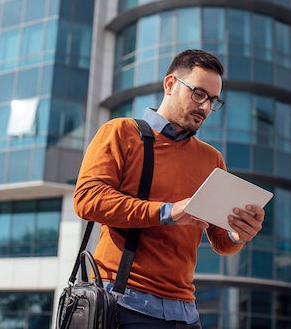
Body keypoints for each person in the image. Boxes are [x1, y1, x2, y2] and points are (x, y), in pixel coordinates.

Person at [73, 49, 265, 328]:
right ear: (170, 84)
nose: (205, 107)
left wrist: (239, 233)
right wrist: (168, 212)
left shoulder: (212, 159)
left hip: (185, 312)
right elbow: (87, 200)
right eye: (198, 94)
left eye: (213, 100)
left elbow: (220, 241)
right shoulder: (121, 132)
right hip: (124, 304)